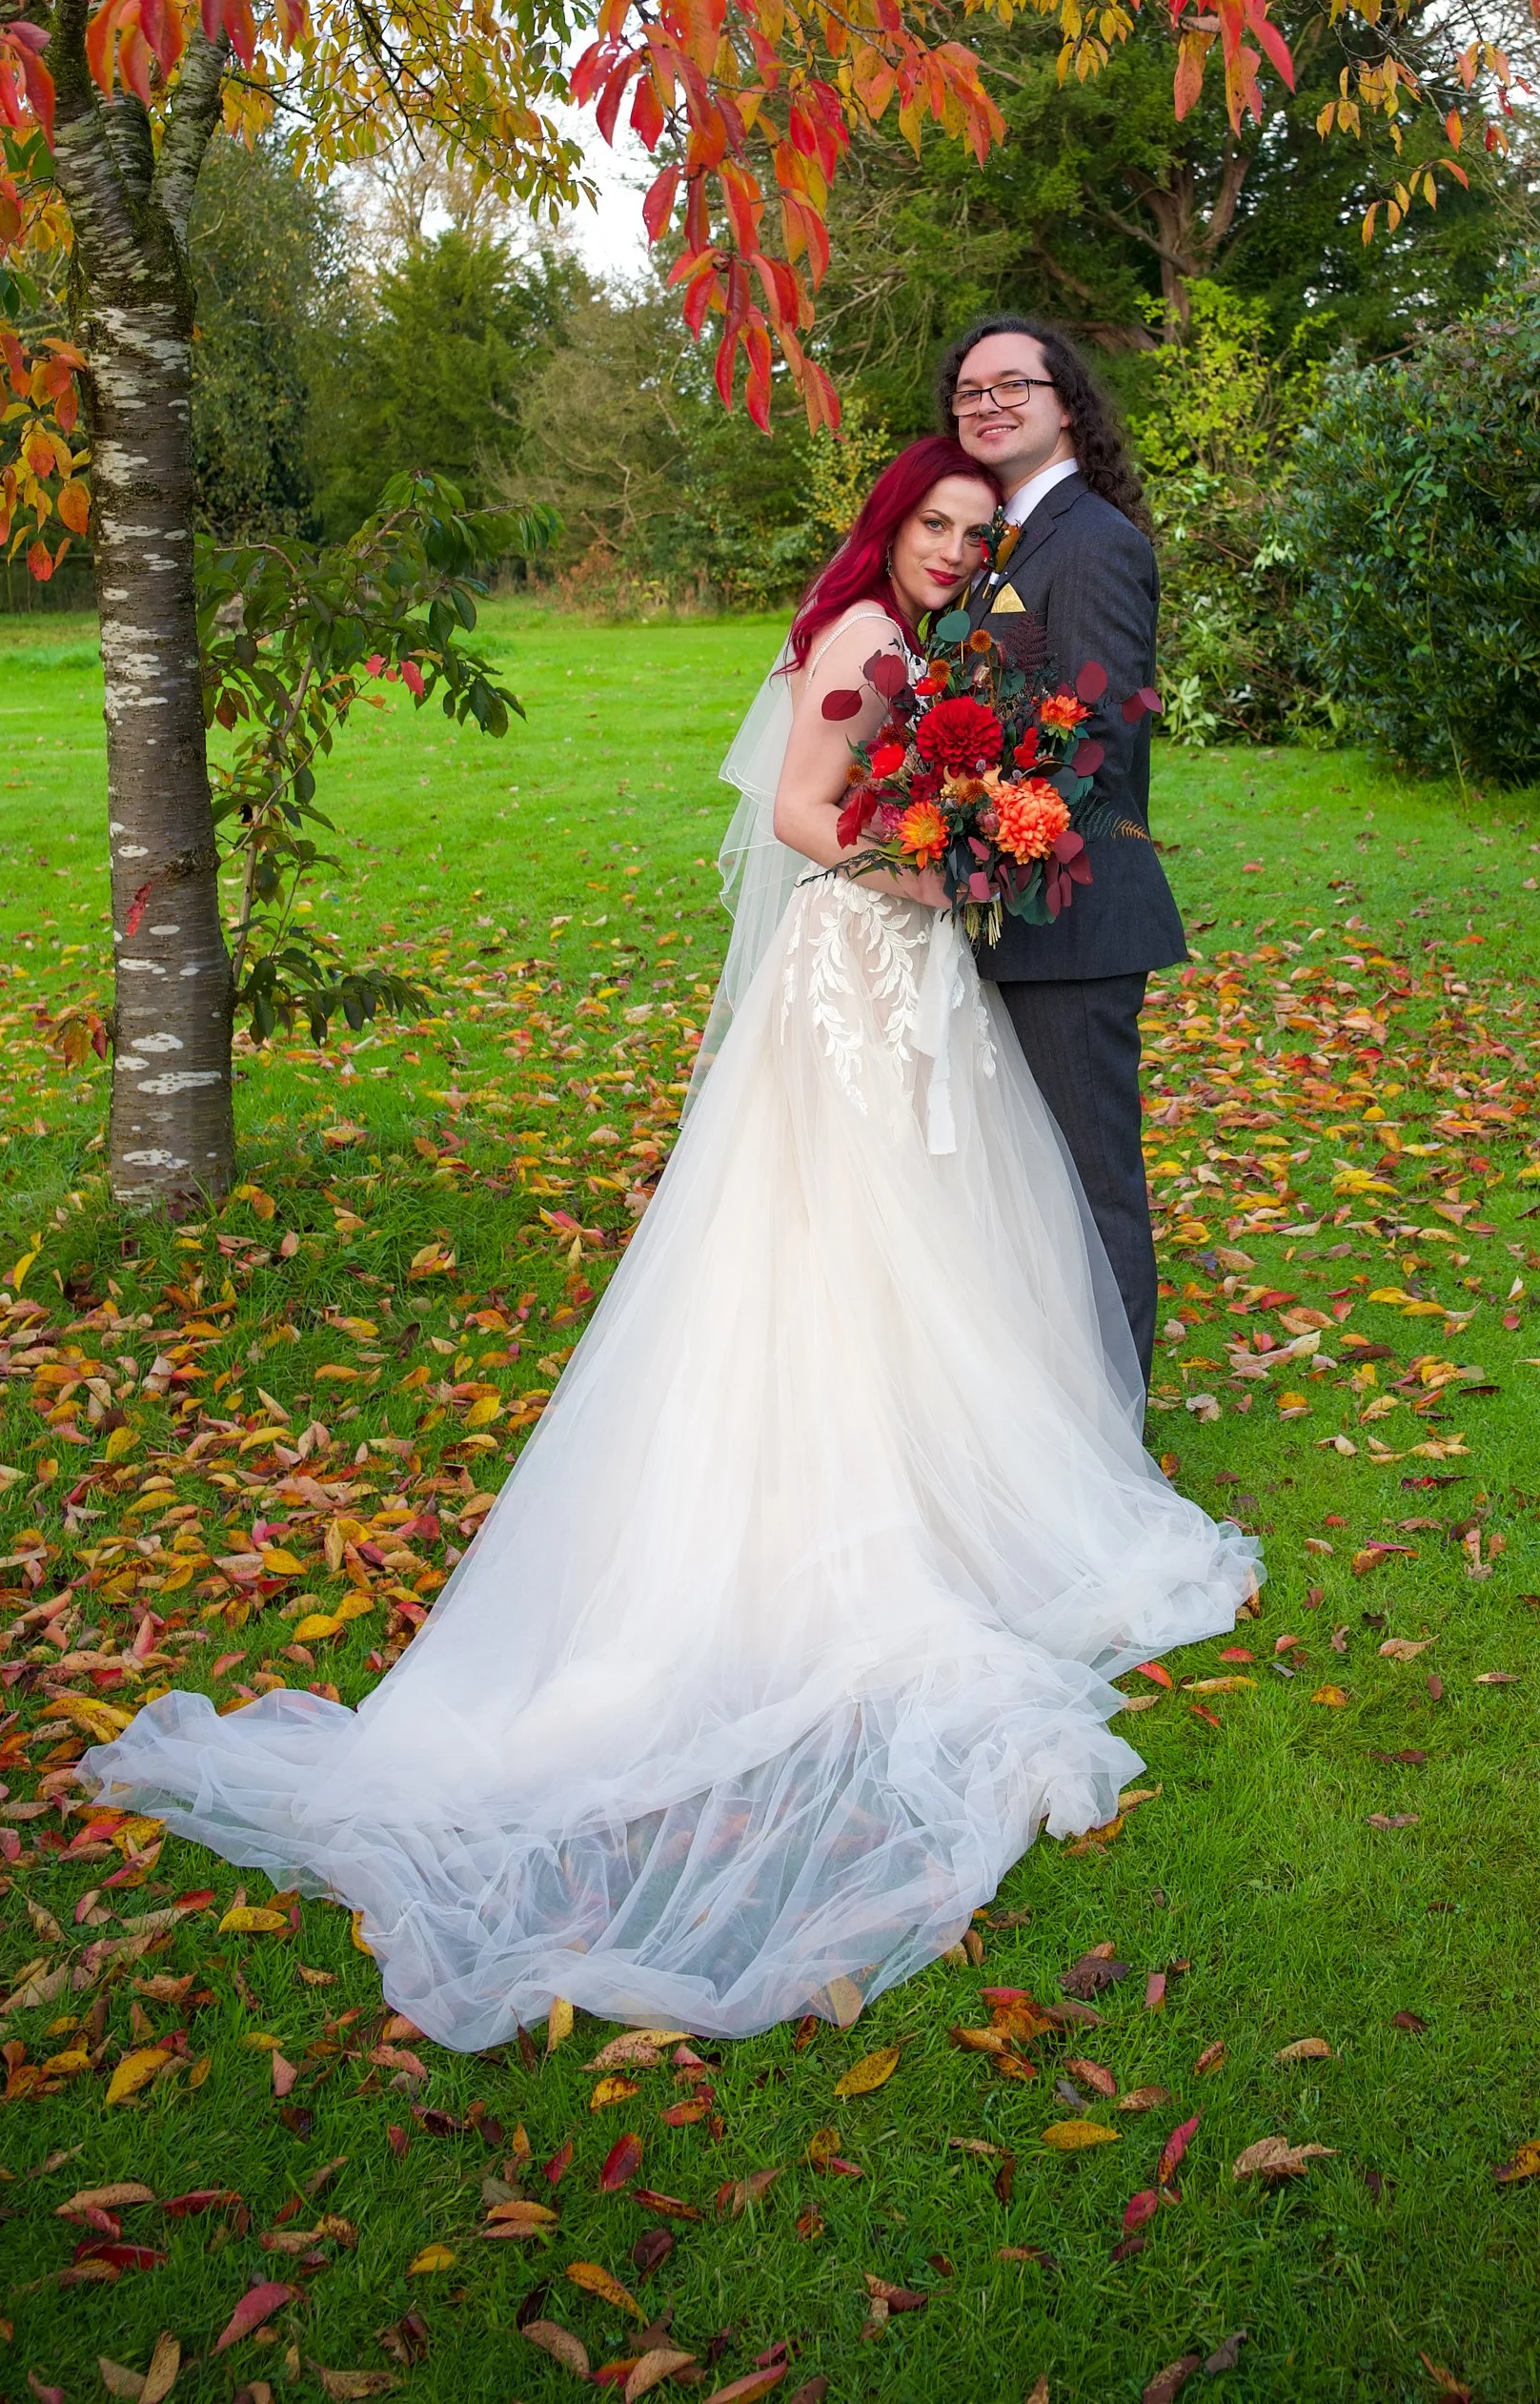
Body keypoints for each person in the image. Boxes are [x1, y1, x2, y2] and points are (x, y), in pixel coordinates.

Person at [77, 437, 1254, 2050]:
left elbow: (915, 794)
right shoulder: (858, 645)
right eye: (936, 526)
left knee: (922, 1254)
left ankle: (921, 1485)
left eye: (977, 533)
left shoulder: (939, 652)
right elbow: (794, 812)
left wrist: (974, 834)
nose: (955, 549)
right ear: (891, 528)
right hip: (854, 973)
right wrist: (931, 854)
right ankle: (829, 1528)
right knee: (835, 1245)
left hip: (905, 976)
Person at [938, 316, 1185, 1388]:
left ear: (1066, 401)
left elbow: (1097, 736)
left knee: (1090, 1186)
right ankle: (1050, 1404)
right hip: (1002, 903)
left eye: (1010, 385)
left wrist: (975, 819)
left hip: (1070, 916)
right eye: (967, 393)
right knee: (1026, 1183)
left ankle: (1110, 1431)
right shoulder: (1007, 537)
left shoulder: (1092, 543)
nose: (985, 403)